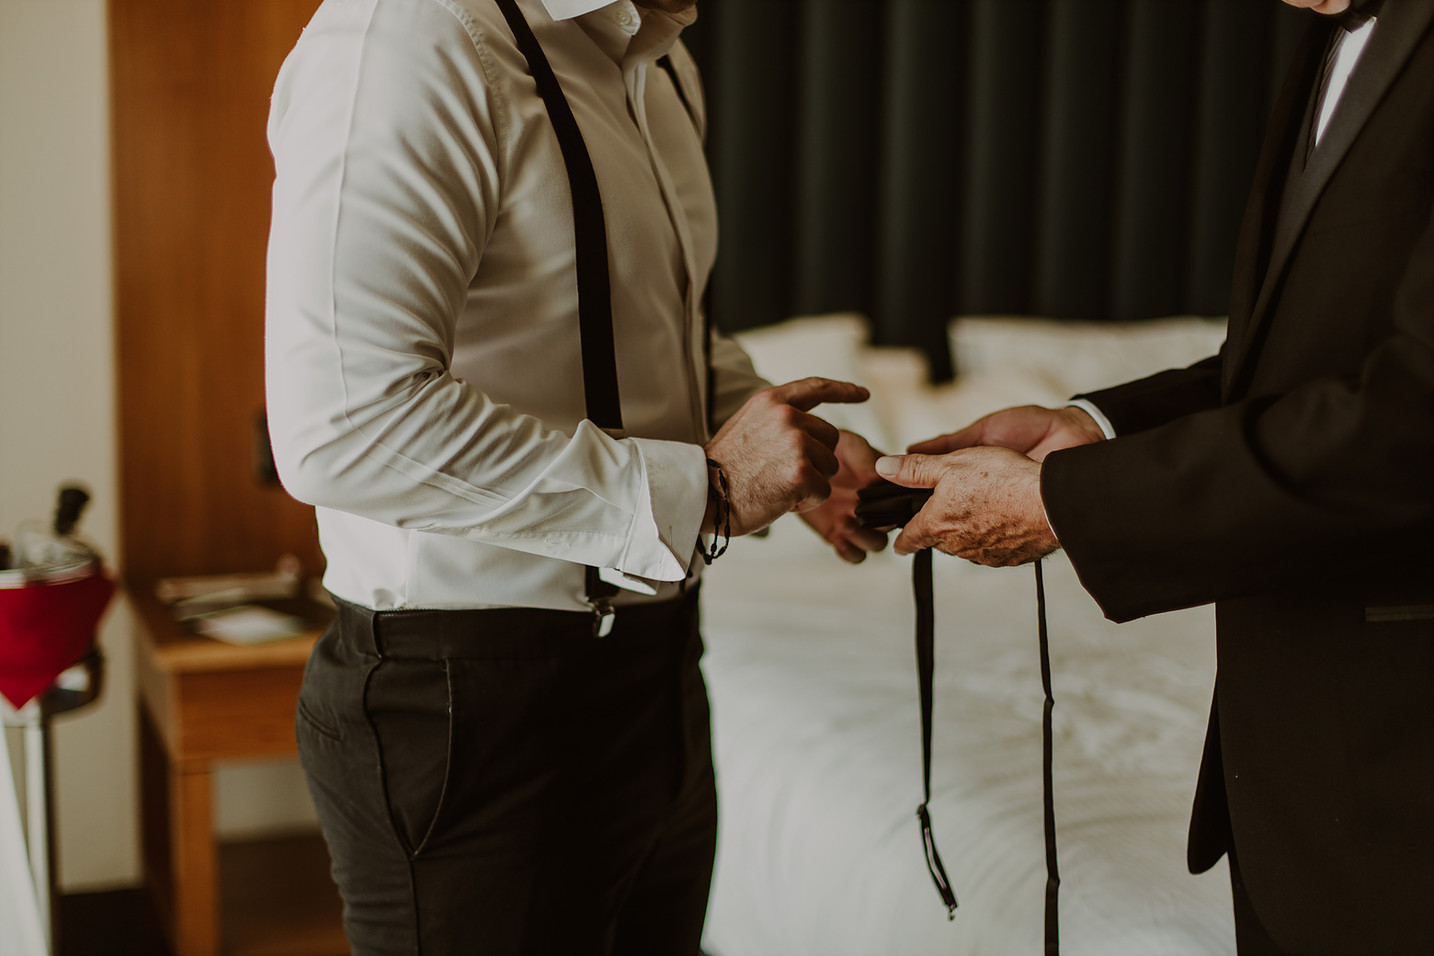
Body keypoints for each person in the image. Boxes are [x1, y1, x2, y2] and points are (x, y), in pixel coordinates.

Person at [263, 0, 885, 952]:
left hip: (660, 672)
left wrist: (782, 443)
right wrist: (706, 491)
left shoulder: (663, 63)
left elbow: (655, 325)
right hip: (466, 707)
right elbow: (346, 422)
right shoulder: (407, 42)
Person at [874, 0, 1433, 952]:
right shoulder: (1323, 43)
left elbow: (1411, 416)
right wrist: (1093, 425)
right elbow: (1297, 364)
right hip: (1289, 791)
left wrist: (1069, 504)